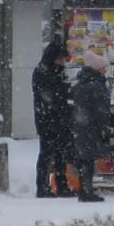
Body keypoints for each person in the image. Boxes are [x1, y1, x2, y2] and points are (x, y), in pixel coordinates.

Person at [31, 39, 75, 198]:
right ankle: (42, 187)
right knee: (47, 154)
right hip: (47, 119)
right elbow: (47, 97)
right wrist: (60, 105)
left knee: (61, 154)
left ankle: (61, 184)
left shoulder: (58, 71)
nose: (62, 62)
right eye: (60, 58)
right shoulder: (42, 72)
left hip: (59, 118)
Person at [69, 54, 111, 203]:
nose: (105, 70)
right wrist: (104, 128)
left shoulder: (81, 83)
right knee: (88, 160)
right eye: (103, 67)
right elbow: (101, 110)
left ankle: (84, 190)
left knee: (84, 159)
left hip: (82, 126)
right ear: (97, 68)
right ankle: (86, 191)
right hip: (91, 127)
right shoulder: (96, 85)